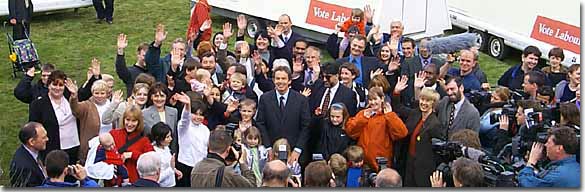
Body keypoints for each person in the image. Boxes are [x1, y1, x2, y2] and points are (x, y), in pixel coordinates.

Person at [392, 76, 444, 187]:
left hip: (423, 170)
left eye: (428, 100)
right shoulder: (415, 114)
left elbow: (437, 153)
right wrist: (396, 92)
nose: (424, 103)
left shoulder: (435, 125)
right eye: (422, 99)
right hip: (408, 163)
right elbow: (398, 108)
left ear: (433, 103)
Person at [256, 66, 311, 167]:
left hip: (294, 153)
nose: (280, 82)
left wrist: (297, 150)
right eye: (277, 78)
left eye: (283, 78)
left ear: (289, 81)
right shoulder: (265, 98)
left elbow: (306, 127)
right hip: (272, 152)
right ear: (273, 80)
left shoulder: (301, 100)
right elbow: (260, 123)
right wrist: (268, 148)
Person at [345, 87, 408, 171]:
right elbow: (350, 131)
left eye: (375, 99)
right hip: (362, 162)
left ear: (382, 99)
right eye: (370, 100)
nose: (373, 102)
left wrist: (390, 115)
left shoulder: (388, 116)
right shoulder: (363, 113)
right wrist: (363, 119)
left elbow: (402, 133)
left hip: (380, 162)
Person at [29, 70, 80, 166]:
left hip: (74, 145)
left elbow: (87, 96)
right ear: (48, 85)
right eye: (54, 84)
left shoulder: (71, 97)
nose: (57, 88)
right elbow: (34, 128)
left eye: (61, 85)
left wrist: (95, 76)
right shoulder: (38, 104)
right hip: (53, 149)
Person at [190, 129, 256, 187]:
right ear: (228, 149)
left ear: (208, 146)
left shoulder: (196, 168)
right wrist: (242, 163)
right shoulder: (227, 173)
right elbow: (252, 186)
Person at [68, 79, 112, 164]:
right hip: (92, 148)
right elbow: (76, 109)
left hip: (110, 145)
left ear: (107, 94)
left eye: (102, 93)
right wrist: (74, 97)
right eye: (96, 93)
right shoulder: (87, 105)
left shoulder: (112, 104)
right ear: (92, 93)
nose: (99, 96)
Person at [109, 105, 154, 183]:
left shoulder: (144, 141)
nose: (130, 124)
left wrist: (132, 155)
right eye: (128, 120)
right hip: (113, 181)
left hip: (133, 182)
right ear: (123, 120)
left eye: (134, 121)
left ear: (139, 122)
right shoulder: (113, 134)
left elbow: (152, 160)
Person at [175, 93, 210, 187]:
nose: (198, 117)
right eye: (195, 113)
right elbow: (185, 120)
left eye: (201, 115)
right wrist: (187, 106)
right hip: (185, 165)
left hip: (200, 168)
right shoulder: (184, 127)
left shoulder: (205, 129)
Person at [10, 122, 48, 187]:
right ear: (32, 142)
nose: (47, 139)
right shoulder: (25, 169)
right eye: (43, 137)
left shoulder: (33, 150)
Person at [150, 122, 182, 187]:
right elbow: (157, 178)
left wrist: (175, 170)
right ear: (158, 138)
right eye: (167, 137)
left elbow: (169, 165)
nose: (171, 139)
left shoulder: (166, 147)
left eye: (170, 136)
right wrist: (171, 169)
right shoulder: (153, 153)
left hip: (171, 184)